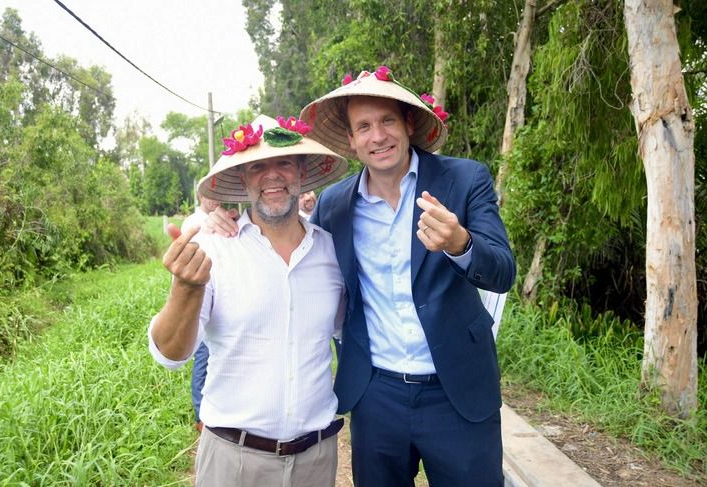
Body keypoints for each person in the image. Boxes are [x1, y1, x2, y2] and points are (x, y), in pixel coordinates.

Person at [205, 67, 516, 486]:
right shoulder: (334, 205)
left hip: (456, 392)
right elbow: (280, 226)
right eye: (363, 126)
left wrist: (461, 244)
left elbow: (503, 271)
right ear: (351, 141)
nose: (378, 136)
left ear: (408, 124)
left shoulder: (464, 178)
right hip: (376, 397)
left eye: (387, 120)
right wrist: (219, 221)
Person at [147, 114, 348, 486]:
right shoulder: (212, 249)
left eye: (284, 162)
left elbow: (345, 331)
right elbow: (169, 356)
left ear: (302, 172)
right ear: (242, 179)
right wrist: (185, 288)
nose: (272, 175)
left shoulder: (332, 251)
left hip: (316, 462)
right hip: (233, 462)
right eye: (257, 166)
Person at [180, 193, 221, 433]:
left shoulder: (224, 218)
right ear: (200, 195)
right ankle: (200, 415)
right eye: (210, 194)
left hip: (223, 296)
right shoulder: (193, 223)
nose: (215, 199)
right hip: (201, 296)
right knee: (203, 358)